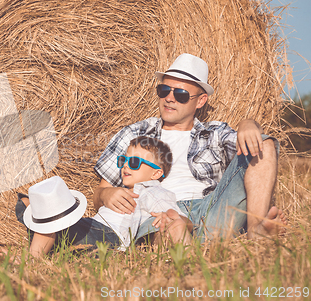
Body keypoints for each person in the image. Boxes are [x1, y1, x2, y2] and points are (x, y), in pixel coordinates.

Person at [93, 53, 287, 242]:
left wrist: (249, 123)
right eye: (164, 90)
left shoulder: (215, 133)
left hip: (211, 212)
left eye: (180, 94)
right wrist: (105, 193)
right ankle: (182, 244)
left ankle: (257, 231)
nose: (169, 98)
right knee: (170, 226)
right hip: (158, 214)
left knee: (264, 143)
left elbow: (251, 147)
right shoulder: (135, 133)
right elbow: (100, 193)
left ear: (200, 101)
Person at [15, 136, 192, 258]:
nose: (125, 167)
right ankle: (48, 246)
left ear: (156, 173)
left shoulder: (150, 189)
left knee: (47, 212)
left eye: (135, 162)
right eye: (124, 160)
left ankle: (33, 258)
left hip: (107, 234)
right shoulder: (123, 190)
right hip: (96, 230)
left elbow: (172, 214)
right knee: (27, 204)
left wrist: (169, 216)